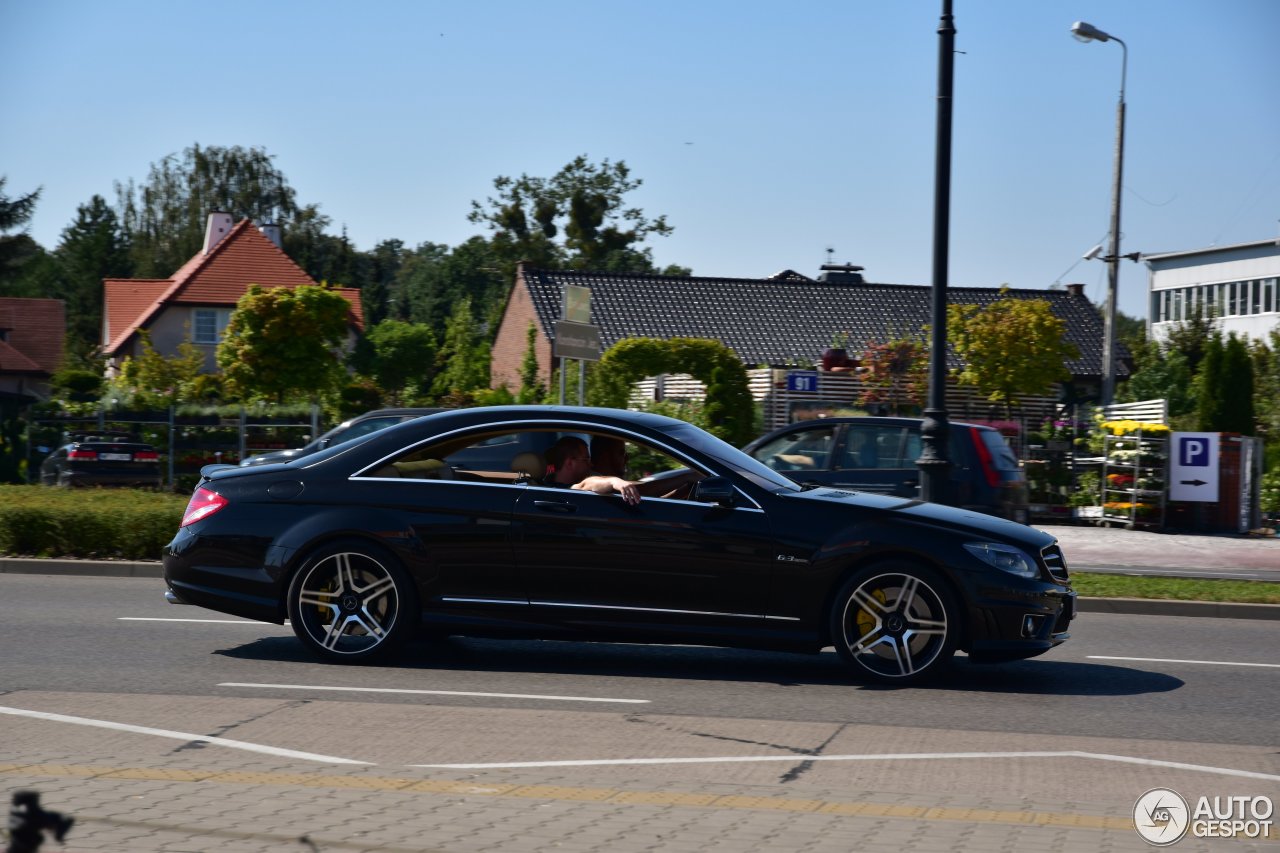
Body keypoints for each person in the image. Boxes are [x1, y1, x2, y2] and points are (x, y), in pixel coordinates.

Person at [542, 436, 641, 505]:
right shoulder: (561, 488)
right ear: (570, 463)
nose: (591, 464)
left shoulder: (546, 483)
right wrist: (614, 481)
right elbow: (586, 484)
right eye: (586, 460)